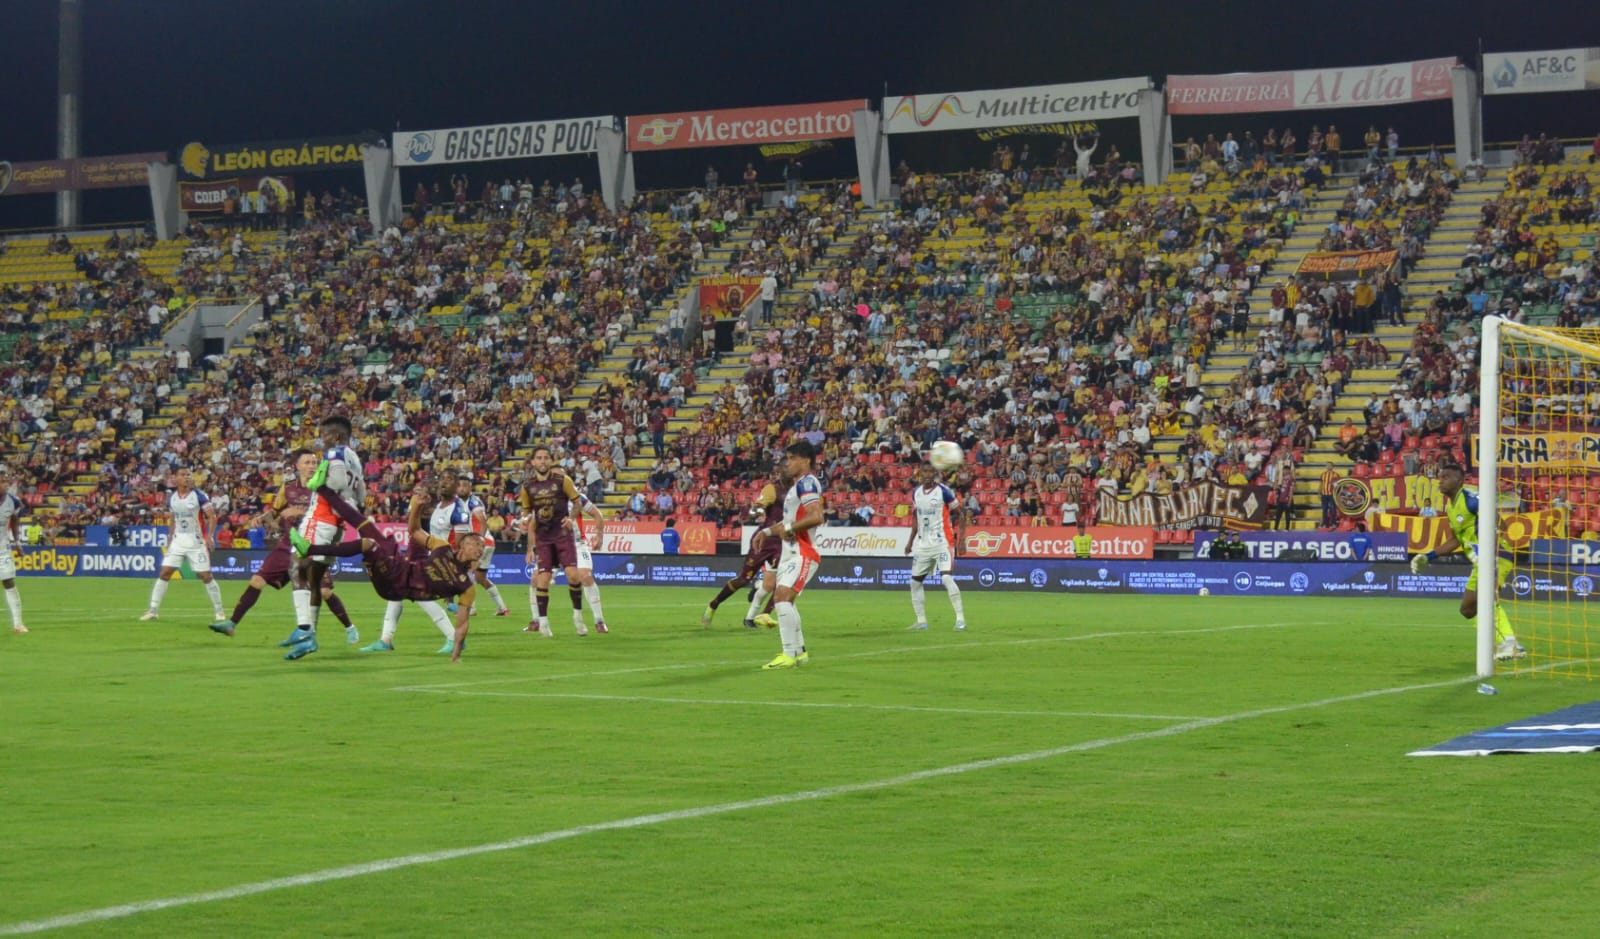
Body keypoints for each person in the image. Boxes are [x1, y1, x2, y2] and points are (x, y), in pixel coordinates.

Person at [288, 484, 482, 663]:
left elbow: (463, 623)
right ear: (463, 544)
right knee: (366, 526)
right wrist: (417, 507)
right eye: (476, 544)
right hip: (399, 568)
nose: (480, 548)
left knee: (368, 545)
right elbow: (414, 530)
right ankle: (322, 489)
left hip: (395, 585)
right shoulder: (443, 547)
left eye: (481, 547)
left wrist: (456, 653)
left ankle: (310, 549)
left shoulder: (466, 586)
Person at [209, 449, 358, 644]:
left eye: (314, 463)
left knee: (324, 592)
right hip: (287, 544)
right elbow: (276, 511)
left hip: (313, 545)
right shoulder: (287, 488)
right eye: (307, 463)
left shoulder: (326, 489)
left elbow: (335, 516)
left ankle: (350, 627)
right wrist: (261, 519)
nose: (312, 466)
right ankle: (232, 624)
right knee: (257, 581)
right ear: (297, 466)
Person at [1409, 463, 1525, 661]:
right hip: (1480, 562)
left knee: (1486, 599)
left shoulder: (1471, 499)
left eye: (1446, 476)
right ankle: (1506, 642)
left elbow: (1500, 523)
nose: (1441, 480)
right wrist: (1427, 557)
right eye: (1440, 476)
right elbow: (1455, 540)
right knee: (1468, 609)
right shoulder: (1451, 508)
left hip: (1496, 556)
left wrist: (1492, 550)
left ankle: (1509, 643)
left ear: (1459, 481)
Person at [282, 415, 365, 656]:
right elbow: (361, 493)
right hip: (337, 525)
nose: (322, 440)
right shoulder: (355, 458)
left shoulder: (334, 453)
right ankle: (311, 639)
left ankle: (304, 627)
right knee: (315, 579)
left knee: (297, 566)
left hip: (320, 517)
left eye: (325, 434)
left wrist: (318, 486)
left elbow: (337, 482)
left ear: (337, 436)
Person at [360, 468, 460, 655]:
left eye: (429, 485)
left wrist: (417, 505)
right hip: (418, 557)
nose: (423, 490)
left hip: (423, 560)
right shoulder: (435, 506)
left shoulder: (432, 507)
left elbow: (415, 529)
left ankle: (453, 637)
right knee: (395, 596)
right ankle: (385, 639)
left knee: (421, 598)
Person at [757, 440, 824, 670]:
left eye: (791, 458)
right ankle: (800, 652)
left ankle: (788, 655)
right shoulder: (797, 486)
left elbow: (817, 516)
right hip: (791, 553)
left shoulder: (807, 483)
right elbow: (787, 523)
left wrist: (788, 529)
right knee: (787, 601)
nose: (787, 463)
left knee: (782, 598)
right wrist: (766, 531)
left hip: (802, 552)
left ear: (806, 460)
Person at [702, 470, 790, 629]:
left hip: (782, 542)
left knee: (782, 581)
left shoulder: (798, 492)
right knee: (744, 579)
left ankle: (763, 615)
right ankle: (714, 604)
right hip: (764, 539)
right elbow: (758, 507)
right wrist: (757, 509)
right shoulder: (772, 489)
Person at [139, 467, 226, 624]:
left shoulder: (199, 496)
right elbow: (173, 518)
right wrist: (171, 537)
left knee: (205, 576)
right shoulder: (172, 498)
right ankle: (153, 610)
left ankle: (219, 610)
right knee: (165, 573)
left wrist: (210, 537)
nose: (186, 477)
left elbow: (212, 517)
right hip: (179, 541)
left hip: (196, 541)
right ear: (175, 479)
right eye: (183, 475)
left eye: (188, 475)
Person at [518, 446, 586, 637]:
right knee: (543, 578)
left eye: (546, 458)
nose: (542, 461)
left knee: (573, 575)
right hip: (544, 537)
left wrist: (571, 517)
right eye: (539, 458)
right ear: (533, 462)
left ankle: (578, 617)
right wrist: (524, 522)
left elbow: (577, 502)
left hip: (563, 534)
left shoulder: (562, 481)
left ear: (550, 460)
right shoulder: (527, 487)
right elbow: (526, 512)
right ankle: (544, 624)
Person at [905, 464, 967, 632]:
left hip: (942, 543)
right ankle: (921, 621)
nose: (927, 475)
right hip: (923, 545)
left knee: (946, 578)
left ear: (935, 475)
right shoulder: (916, 493)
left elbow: (961, 513)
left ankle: (960, 620)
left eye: (930, 472)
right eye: (924, 471)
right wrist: (910, 541)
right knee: (914, 582)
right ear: (920, 474)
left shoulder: (943, 491)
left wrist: (962, 539)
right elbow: (915, 518)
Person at [453, 473, 510, 617]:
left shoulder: (474, 502)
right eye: (459, 485)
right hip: (488, 542)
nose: (462, 488)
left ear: (470, 488)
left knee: (465, 573)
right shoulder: (460, 503)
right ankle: (502, 608)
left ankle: (470, 608)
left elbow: (482, 521)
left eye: (465, 485)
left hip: (481, 543)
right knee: (480, 578)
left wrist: (478, 542)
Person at [566, 495, 609, 635]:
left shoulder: (576, 497)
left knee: (585, 576)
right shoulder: (545, 495)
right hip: (553, 545)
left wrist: (599, 535)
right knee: (537, 578)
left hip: (577, 544)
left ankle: (599, 620)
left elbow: (597, 514)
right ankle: (536, 621)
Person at [0, 468, 27, 634]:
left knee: (8, 581)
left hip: (2, 549)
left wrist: (17, 542)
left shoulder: (13, 501)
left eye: (5, 482)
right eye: (1, 482)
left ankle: (18, 624)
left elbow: (15, 521)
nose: (4, 484)